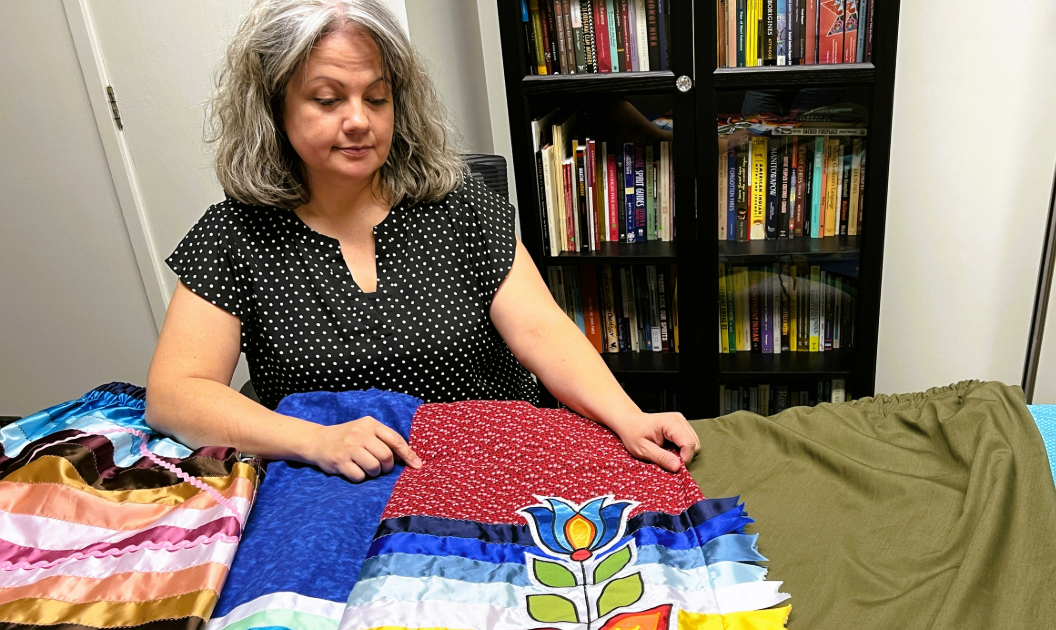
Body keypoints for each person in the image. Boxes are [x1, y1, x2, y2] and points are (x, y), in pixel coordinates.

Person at [145, 0, 699, 482]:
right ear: (274, 110)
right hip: (332, 482)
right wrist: (314, 440)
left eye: (377, 98)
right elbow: (174, 395)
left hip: (493, 462)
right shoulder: (233, 235)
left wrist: (628, 415)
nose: (359, 120)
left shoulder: (460, 204)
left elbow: (541, 329)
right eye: (327, 99)